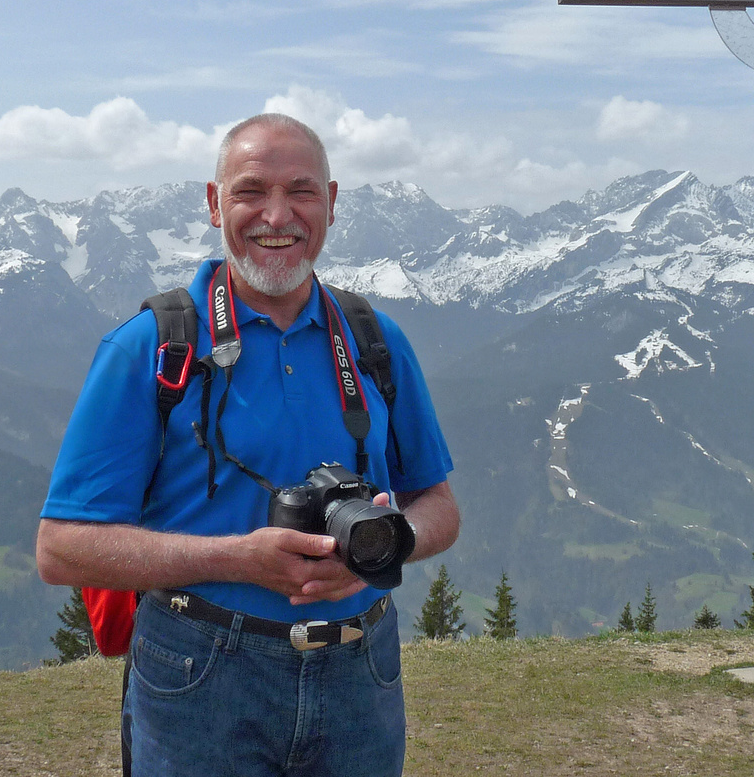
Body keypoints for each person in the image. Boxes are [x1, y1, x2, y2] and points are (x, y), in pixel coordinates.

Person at [36, 113, 459, 777]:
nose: (277, 214)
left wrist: (388, 542)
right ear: (213, 204)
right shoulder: (150, 347)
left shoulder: (376, 341)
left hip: (361, 670)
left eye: (301, 191)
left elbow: (438, 504)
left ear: (332, 203)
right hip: (201, 672)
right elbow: (61, 549)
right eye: (251, 191)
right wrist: (240, 559)